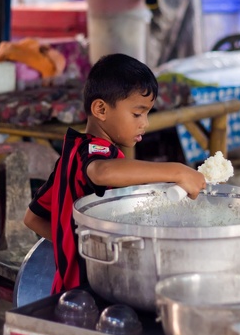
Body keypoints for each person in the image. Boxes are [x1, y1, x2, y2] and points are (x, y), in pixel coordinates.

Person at [23, 53, 207, 294]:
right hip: (90, 291)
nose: (145, 124)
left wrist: (74, 246)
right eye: (137, 114)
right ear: (100, 109)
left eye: (147, 114)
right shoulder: (95, 153)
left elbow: (33, 218)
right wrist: (176, 171)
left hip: (70, 289)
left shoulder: (71, 156)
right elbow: (102, 171)